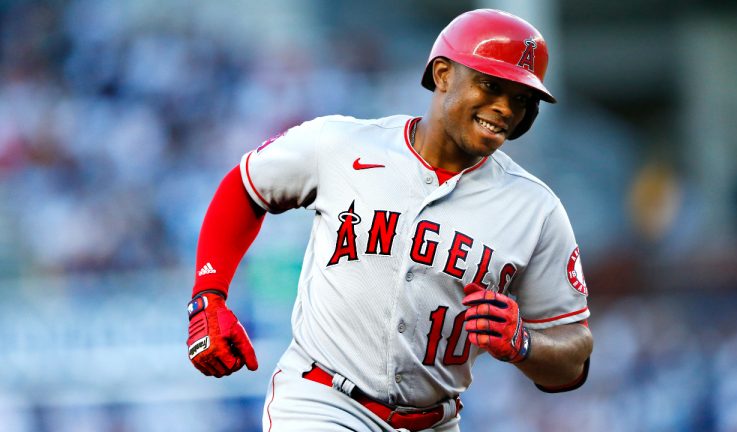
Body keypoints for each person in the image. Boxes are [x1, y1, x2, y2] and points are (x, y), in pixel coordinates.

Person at [186, 9, 593, 432]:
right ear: (443, 74)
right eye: (491, 85)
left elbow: (573, 358)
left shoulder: (536, 210)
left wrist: (524, 344)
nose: (505, 108)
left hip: (434, 421)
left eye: (521, 99)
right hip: (322, 402)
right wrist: (208, 295)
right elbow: (246, 187)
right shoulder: (340, 144)